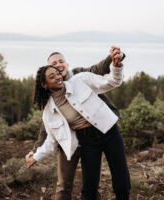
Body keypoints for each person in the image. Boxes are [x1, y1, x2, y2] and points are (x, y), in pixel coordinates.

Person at [26, 51, 131, 200]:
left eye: (57, 72)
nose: (57, 76)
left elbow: (112, 81)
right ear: (44, 84)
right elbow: (50, 139)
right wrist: (35, 155)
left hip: (109, 132)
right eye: (52, 76)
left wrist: (116, 66)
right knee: (89, 187)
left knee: (121, 180)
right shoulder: (49, 112)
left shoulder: (80, 79)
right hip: (87, 141)